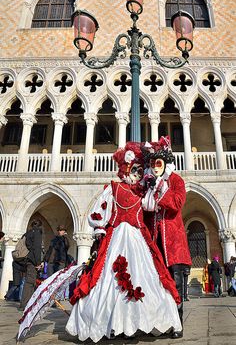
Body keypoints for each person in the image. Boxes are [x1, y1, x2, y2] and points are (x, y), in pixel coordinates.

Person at [66, 142, 182, 342]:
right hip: (117, 238)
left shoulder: (142, 192)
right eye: (134, 170)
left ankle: (141, 322)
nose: (137, 174)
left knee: (146, 276)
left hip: (139, 239)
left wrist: (156, 187)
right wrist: (100, 228)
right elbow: (99, 212)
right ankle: (112, 323)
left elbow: (153, 206)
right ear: (125, 169)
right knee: (108, 280)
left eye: (139, 170)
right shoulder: (113, 189)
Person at [142, 136, 192, 339]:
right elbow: (144, 213)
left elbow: (177, 203)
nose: (155, 168)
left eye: (159, 163)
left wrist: (160, 188)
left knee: (176, 283)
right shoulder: (148, 185)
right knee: (156, 284)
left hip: (174, 243)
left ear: (166, 164)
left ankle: (177, 324)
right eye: (153, 164)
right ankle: (160, 322)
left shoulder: (175, 180)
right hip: (155, 244)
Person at [19, 219, 43, 310]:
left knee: (29, 282)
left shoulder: (28, 233)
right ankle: (25, 304)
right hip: (33, 261)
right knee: (30, 283)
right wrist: (38, 263)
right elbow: (36, 249)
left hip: (28, 260)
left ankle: (25, 303)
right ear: (40, 226)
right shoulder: (37, 233)